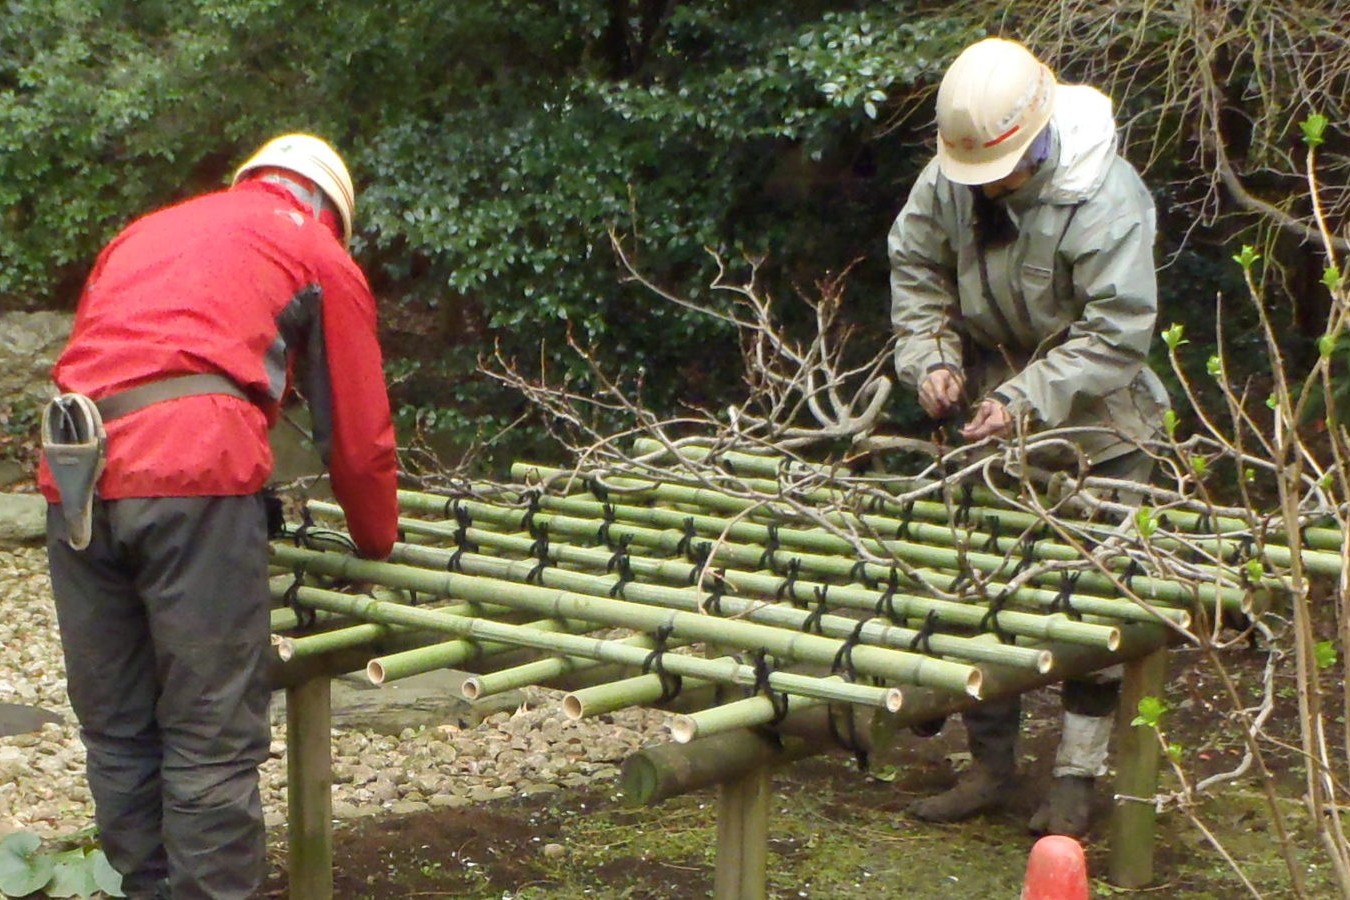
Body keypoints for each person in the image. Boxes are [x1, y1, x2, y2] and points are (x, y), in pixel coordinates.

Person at [38, 133, 399, 899]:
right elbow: (360, 439)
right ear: (330, 207)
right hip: (194, 473)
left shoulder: (147, 231)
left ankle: (148, 889)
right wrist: (377, 541)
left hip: (73, 478)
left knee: (119, 726)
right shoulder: (317, 251)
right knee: (211, 733)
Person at [888, 38, 1169, 836]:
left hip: (1098, 420)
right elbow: (915, 270)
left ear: (1037, 139)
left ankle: (1078, 779)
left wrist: (1025, 398)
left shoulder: (1107, 198)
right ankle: (990, 764)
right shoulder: (948, 176)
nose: (989, 185)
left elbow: (1119, 334)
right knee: (981, 590)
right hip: (986, 413)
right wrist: (933, 362)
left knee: (1096, 603)